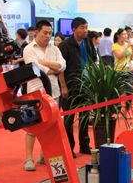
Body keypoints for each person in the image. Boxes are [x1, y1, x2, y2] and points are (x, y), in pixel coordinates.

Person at [22, 19, 66, 170]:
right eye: (45, 33)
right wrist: (52, 68)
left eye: (50, 33)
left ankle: (43, 156)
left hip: (53, 92)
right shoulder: (29, 49)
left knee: (51, 126)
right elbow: (36, 69)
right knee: (32, 127)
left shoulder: (55, 49)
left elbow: (62, 66)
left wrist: (45, 63)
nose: (48, 36)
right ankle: (29, 159)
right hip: (34, 93)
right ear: (37, 32)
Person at [59, 17, 96, 156]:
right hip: (70, 86)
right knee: (69, 118)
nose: (85, 30)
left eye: (86, 27)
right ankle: (69, 147)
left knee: (85, 117)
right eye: (82, 27)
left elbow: (93, 61)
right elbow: (60, 68)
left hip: (86, 85)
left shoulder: (88, 42)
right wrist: (63, 86)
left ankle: (84, 145)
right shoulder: (65, 45)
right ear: (74, 29)